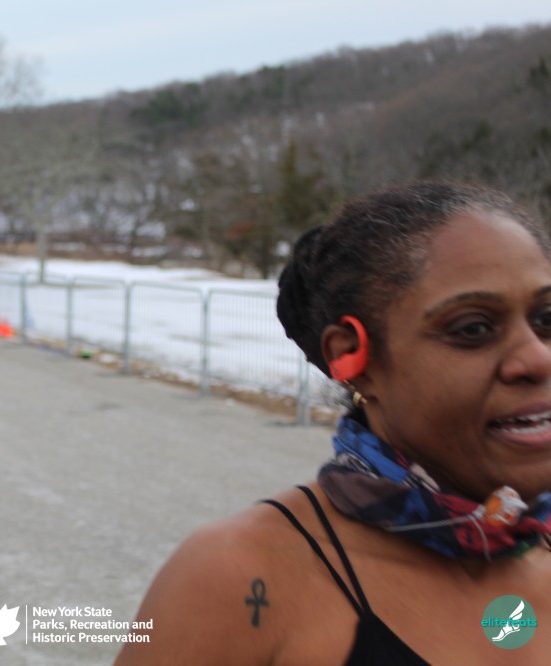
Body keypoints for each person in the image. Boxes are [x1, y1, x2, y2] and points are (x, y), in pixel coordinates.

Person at [116, 181, 551, 665]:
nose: (538, 358)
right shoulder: (243, 574)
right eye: (473, 328)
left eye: (547, 319)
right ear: (353, 358)